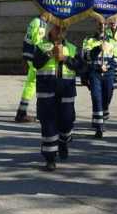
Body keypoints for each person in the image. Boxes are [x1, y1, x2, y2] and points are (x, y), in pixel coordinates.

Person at [30, 23, 84, 171]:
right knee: (48, 124)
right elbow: (35, 63)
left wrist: (65, 58)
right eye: (57, 28)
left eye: (64, 29)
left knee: (67, 121)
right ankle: (50, 158)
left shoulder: (72, 48)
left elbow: (80, 66)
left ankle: (63, 141)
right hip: (46, 90)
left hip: (66, 91)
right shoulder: (41, 46)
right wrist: (50, 53)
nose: (60, 31)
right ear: (50, 30)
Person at [82, 22, 117, 138]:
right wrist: (97, 49)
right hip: (94, 73)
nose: (101, 25)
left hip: (108, 73)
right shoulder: (89, 40)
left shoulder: (112, 41)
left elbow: (116, 59)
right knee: (97, 98)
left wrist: (109, 69)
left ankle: (103, 113)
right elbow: (85, 57)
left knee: (106, 96)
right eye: (99, 23)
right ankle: (99, 127)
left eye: (104, 24)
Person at [15, 17, 49, 122]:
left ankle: (22, 111)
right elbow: (37, 43)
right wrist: (48, 50)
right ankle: (40, 113)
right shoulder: (41, 24)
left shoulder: (35, 21)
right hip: (35, 58)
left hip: (30, 56)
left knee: (31, 84)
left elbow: (28, 40)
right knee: (40, 84)